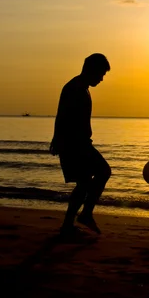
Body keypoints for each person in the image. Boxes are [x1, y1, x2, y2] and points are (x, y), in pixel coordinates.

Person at [49, 53, 111, 235]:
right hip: (74, 144)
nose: (101, 79)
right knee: (100, 173)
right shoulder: (74, 88)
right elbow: (62, 115)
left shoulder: (81, 87)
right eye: (101, 74)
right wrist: (57, 139)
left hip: (80, 143)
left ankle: (73, 222)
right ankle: (81, 217)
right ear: (92, 69)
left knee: (86, 182)